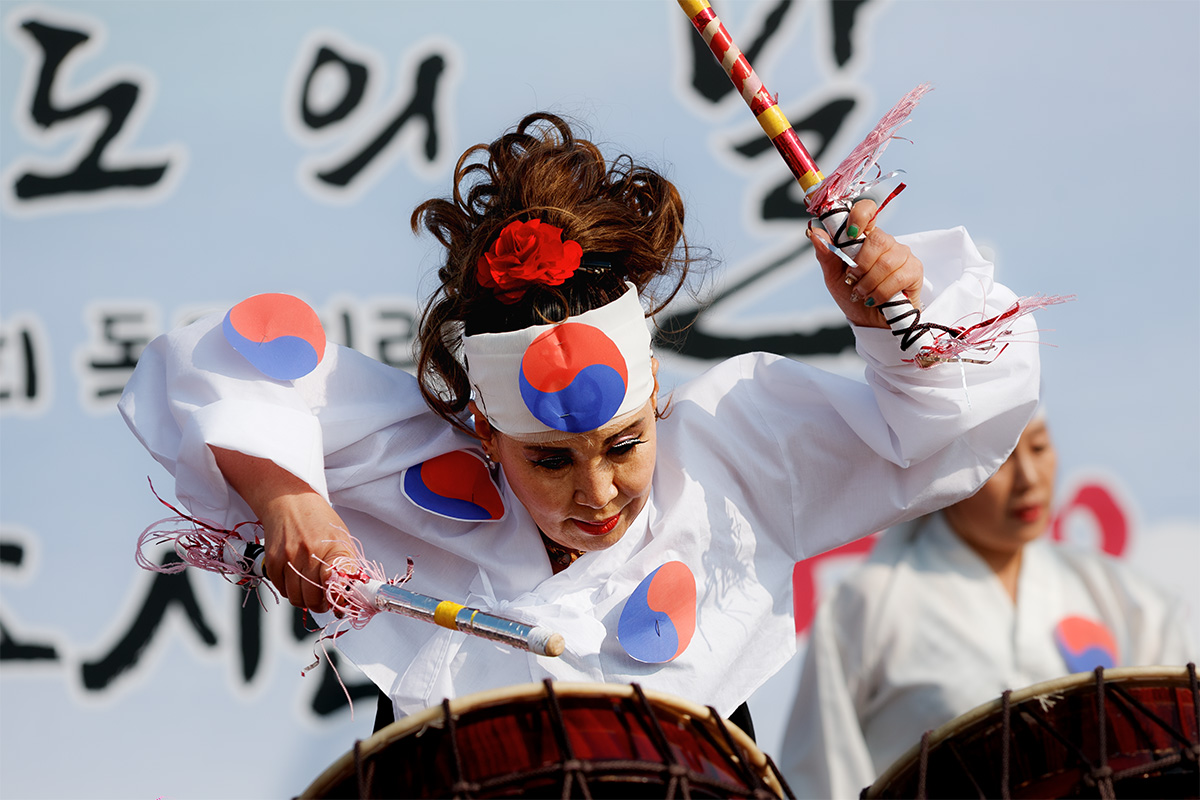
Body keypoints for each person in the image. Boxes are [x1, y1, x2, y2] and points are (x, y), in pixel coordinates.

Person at [119, 113, 1041, 727]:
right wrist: (289, 499)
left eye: (625, 445)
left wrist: (895, 317)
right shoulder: (415, 474)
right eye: (551, 460)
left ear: (655, 394)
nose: (598, 493)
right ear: (486, 434)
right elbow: (221, 360)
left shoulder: (733, 456)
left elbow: (938, 430)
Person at [778, 412, 1197, 799]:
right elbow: (825, 774)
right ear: (940, 471)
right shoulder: (869, 604)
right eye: (999, 458)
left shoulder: (1125, 598)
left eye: (1038, 446)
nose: (1028, 478)